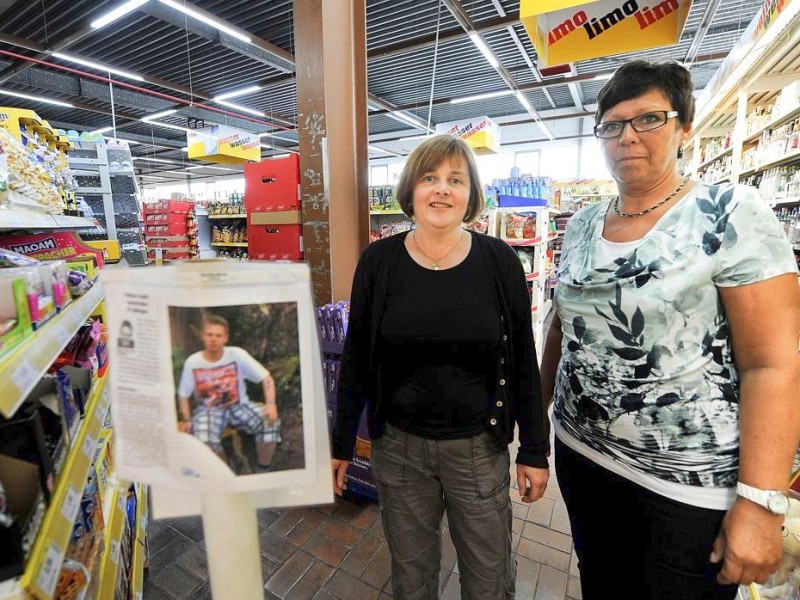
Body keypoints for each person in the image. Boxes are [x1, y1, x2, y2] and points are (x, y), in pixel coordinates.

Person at [541, 59, 800, 600]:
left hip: (686, 487)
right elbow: (562, 323)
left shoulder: (730, 213)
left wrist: (761, 501)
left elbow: (773, 362)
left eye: (648, 119)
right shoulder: (586, 222)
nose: (627, 136)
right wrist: (533, 415)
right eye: (611, 124)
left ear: (684, 127)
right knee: (601, 583)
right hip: (582, 455)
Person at [331, 134, 550, 599]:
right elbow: (357, 359)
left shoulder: (500, 262)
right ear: (410, 190)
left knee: (488, 578)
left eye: (455, 179)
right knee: (411, 578)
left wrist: (534, 448)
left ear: (471, 194)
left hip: (477, 450)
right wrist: (341, 442)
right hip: (399, 451)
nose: (442, 189)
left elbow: (523, 362)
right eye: (430, 178)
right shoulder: (378, 263)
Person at [177, 314, 281, 472]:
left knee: (270, 424)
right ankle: (225, 474)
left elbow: (266, 378)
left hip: (239, 405)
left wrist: (271, 404)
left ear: (225, 338)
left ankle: (262, 469)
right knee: (204, 440)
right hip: (209, 410)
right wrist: (186, 419)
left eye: (218, 335)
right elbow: (184, 395)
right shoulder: (193, 362)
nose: (213, 339)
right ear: (203, 337)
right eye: (210, 335)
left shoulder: (236, 354)